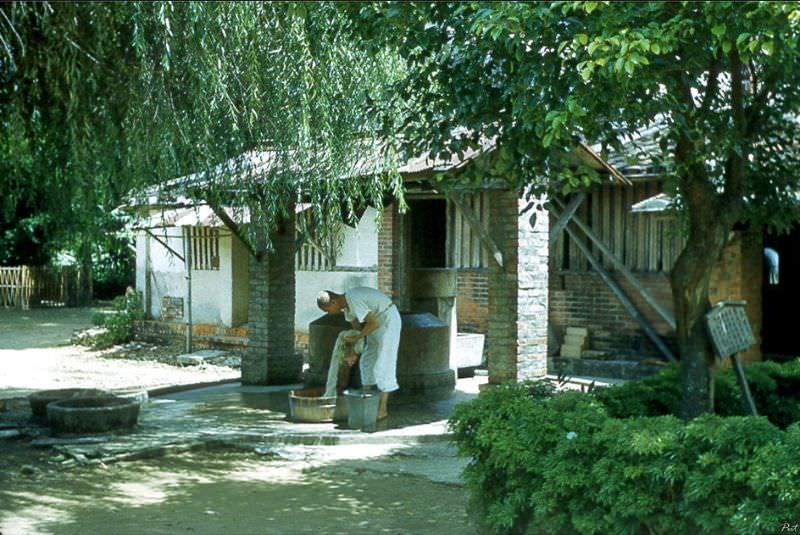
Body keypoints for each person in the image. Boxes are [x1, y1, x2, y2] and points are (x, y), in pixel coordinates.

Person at [317, 287, 401, 418]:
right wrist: (354, 352)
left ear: (333, 302)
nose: (328, 314)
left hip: (387, 319)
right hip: (376, 323)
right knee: (366, 361)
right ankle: (367, 401)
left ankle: (382, 409)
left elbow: (373, 324)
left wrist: (357, 338)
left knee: (384, 364)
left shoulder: (353, 299)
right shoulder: (346, 307)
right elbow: (357, 328)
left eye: (327, 310)